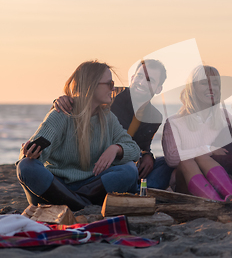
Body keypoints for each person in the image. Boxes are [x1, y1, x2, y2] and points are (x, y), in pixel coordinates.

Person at [17, 61, 141, 211]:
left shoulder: (108, 118)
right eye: (109, 84)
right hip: (56, 184)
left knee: (129, 169)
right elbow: (32, 159)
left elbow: (134, 150)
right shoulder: (61, 114)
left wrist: (116, 148)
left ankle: (73, 201)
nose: (113, 88)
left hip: (89, 185)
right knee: (26, 166)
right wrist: (31, 154)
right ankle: (83, 204)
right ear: (92, 85)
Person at [53, 59, 173, 190]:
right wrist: (62, 100)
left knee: (167, 164)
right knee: (129, 169)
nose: (142, 82)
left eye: (150, 80)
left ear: (159, 89)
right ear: (132, 78)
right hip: (100, 162)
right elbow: (82, 102)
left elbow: (142, 146)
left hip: (125, 160)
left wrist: (147, 155)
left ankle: (137, 189)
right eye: (139, 76)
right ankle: (132, 188)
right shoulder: (111, 96)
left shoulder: (154, 116)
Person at [162, 65, 232, 201]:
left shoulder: (225, 117)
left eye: (215, 83)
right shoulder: (174, 122)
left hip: (219, 179)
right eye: (204, 83)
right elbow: (172, 158)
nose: (211, 88)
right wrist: (208, 150)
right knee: (187, 162)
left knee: (199, 159)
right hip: (187, 185)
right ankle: (217, 203)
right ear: (192, 88)